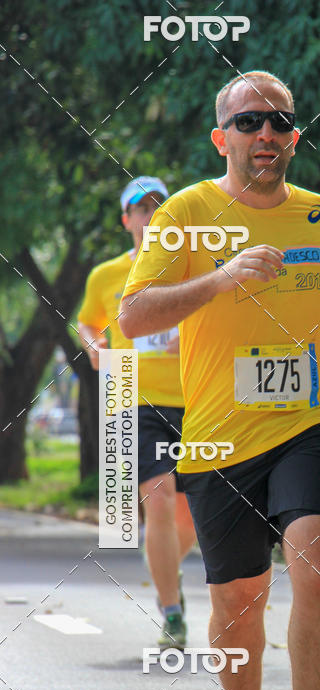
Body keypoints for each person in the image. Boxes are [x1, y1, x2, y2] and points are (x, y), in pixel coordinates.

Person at [119, 72, 320, 690]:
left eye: (281, 122)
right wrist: (224, 277)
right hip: (220, 438)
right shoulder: (186, 213)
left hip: (313, 419)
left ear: (294, 136)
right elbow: (134, 315)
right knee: (239, 600)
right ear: (221, 136)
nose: (267, 134)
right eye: (251, 121)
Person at [78, 176, 197, 650]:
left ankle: (169, 576)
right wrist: (93, 344)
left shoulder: (194, 268)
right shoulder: (106, 276)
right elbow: (86, 320)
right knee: (159, 498)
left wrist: (187, 336)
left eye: (157, 208)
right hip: (133, 395)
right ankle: (172, 614)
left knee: (189, 521)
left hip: (196, 398)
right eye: (140, 209)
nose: (149, 217)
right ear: (127, 220)